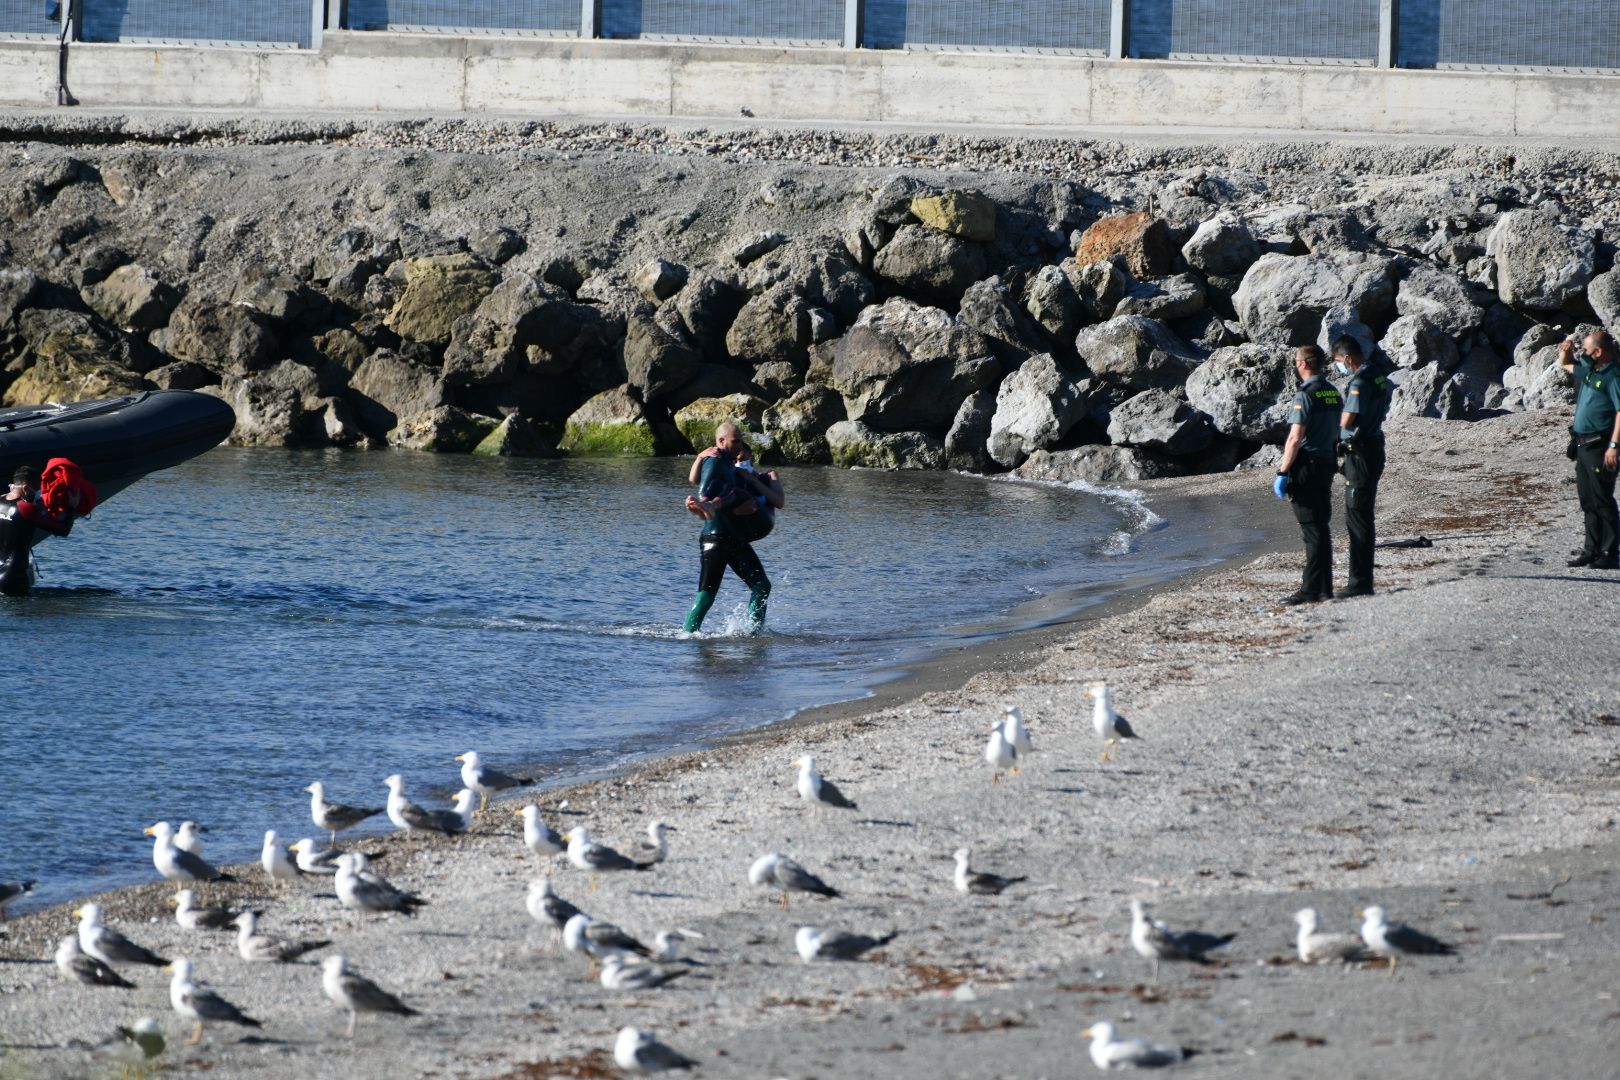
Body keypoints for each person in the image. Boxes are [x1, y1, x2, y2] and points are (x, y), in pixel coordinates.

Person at [682, 423, 775, 633]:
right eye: (735, 441)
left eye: (741, 442)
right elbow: (700, 483)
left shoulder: (733, 467)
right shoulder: (715, 459)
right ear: (721, 441)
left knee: (762, 586)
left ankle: (753, 633)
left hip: (734, 538)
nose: (739, 447)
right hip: (715, 539)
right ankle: (687, 635)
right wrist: (700, 458)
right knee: (706, 596)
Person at [1272, 345, 1343, 605]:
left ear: (1303, 364)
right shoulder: (1332, 392)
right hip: (1326, 461)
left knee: (1312, 529)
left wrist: (1282, 471)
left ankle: (1311, 589)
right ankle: (1324, 586)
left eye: (1296, 361)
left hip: (1307, 465)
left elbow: (1295, 437)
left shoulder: (1305, 395)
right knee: (1321, 526)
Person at [1333, 336, 1394, 598]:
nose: (1338, 368)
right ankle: (1361, 580)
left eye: (1337, 362)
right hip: (1374, 445)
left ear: (1347, 358)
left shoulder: (1359, 382)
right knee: (1364, 515)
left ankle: (1359, 583)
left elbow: (1348, 418)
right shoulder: (1377, 374)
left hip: (1361, 452)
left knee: (1358, 517)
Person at [1559, 330, 1620, 569]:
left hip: (1600, 445)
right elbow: (1565, 365)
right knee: (1587, 500)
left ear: (1598, 351)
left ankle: (1610, 551)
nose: (1582, 353)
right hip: (1582, 445)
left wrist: (1614, 446)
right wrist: (1566, 351)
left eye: (1585, 350)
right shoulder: (1591, 371)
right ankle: (1591, 549)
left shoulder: (1613, 376)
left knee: (1602, 499)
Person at [0, 460, 92, 597]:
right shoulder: (26, 508)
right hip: (13, 577)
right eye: (37, 488)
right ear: (26, 488)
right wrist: (72, 506)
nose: (38, 492)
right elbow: (63, 530)